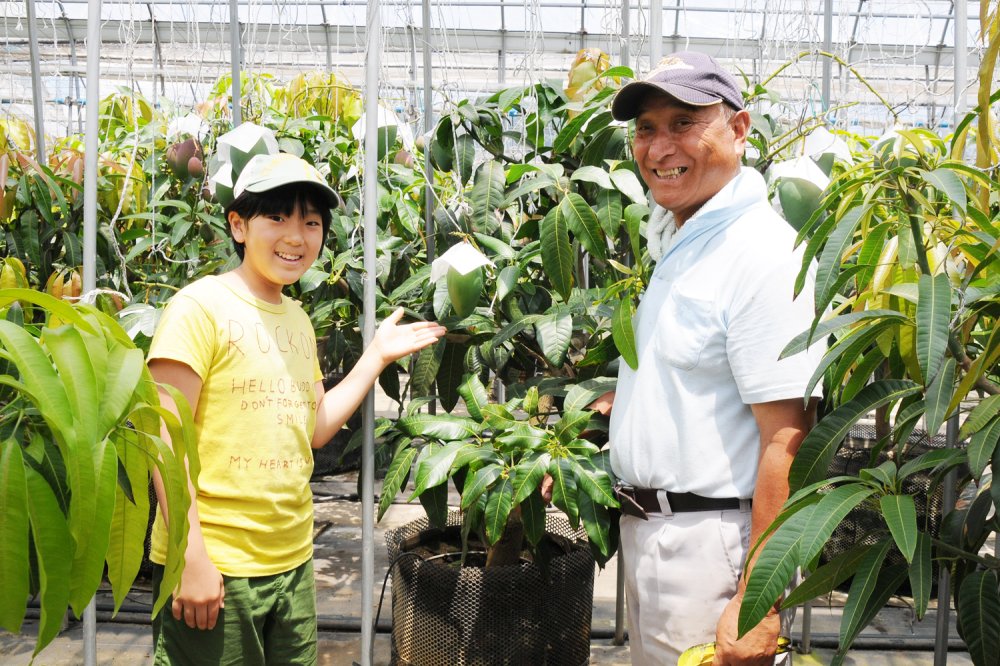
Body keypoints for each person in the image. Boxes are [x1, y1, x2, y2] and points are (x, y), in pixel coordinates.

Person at [146, 152, 446, 665]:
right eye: (277, 216)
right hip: (217, 560)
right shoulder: (198, 309)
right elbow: (164, 439)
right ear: (238, 226)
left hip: (291, 559)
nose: (296, 236)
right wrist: (190, 555)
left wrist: (375, 356)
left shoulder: (298, 321)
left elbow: (314, 428)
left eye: (311, 222)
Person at [596, 51, 826, 664]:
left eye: (684, 123)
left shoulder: (762, 254)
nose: (659, 147)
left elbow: (788, 439)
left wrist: (760, 600)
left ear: (739, 128)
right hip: (658, 537)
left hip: (710, 550)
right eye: (646, 128)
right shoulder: (684, 238)